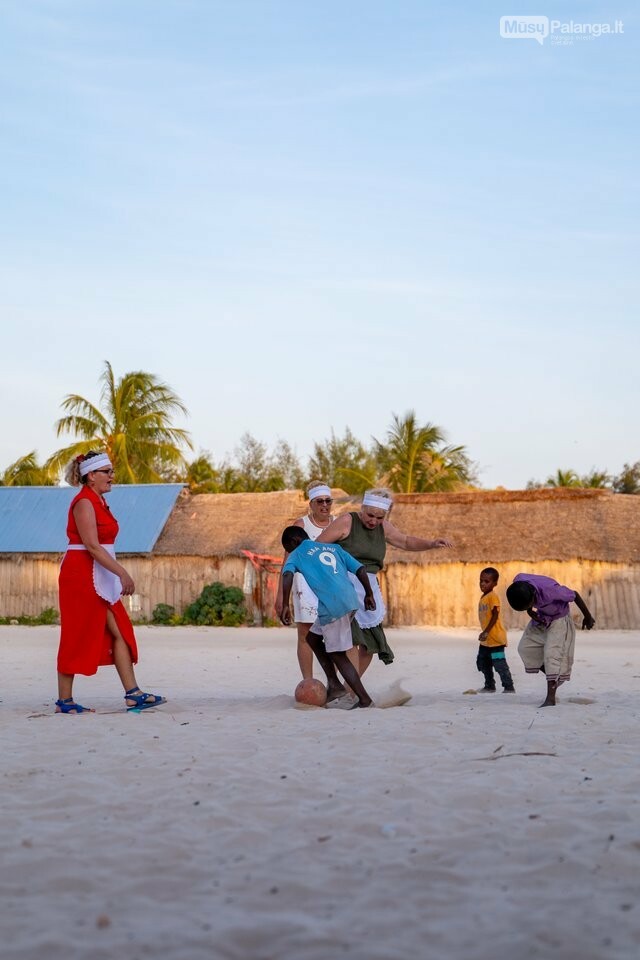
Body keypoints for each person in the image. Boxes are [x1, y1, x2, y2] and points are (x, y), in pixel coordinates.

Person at [55, 451, 166, 714]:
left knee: (120, 631)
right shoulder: (84, 502)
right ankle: (65, 701)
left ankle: (133, 693)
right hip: (81, 575)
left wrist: (113, 573)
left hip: (99, 573)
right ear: (91, 475)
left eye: (112, 472)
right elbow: (92, 546)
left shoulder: (100, 502)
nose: (112, 477)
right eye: (107, 472)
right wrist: (122, 573)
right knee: (77, 632)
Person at [316, 488, 453, 674]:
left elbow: (405, 541)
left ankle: (350, 690)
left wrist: (430, 544)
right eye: (370, 515)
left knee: (369, 645)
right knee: (350, 641)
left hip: (368, 589)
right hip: (343, 587)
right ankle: (347, 688)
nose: (373, 521)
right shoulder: (347, 522)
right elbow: (316, 548)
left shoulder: (384, 527)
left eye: (379, 518)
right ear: (362, 509)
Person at [279, 526, 376, 709]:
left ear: (293, 542)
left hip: (333, 607)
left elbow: (287, 575)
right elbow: (361, 569)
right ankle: (334, 685)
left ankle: (364, 699)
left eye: (288, 548)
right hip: (350, 601)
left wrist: (285, 605)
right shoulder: (333, 548)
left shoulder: (297, 553)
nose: (289, 552)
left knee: (338, 655)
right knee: (312, 638)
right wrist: (368, 594)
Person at [275, 481, 336, 679]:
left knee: (334, 637)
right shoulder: (301, 525)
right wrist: (280, 597)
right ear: (311, 503)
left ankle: (332, 683)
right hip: (306, 586)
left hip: (332, 586)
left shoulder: (339, 523)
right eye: (320, 501)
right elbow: (287, 563)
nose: (324, 505)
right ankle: (308, 682)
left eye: (328, 501)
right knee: (306, 635)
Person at [506, 572, 595, 707]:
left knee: (551, 655)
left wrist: (588, 617)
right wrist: (530, 611)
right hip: (542, 617)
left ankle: (550, 698)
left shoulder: (552, 591)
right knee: (525, 648)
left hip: (559, 619)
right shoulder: (519, 581)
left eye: (528, 605)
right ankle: (554, 676)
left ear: (534, 595)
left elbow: (575, 595)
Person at [476, 567, 515, 693]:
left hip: (496, 639)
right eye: (481, 580)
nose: (482, 584)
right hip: (486, 641)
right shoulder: (484, 597)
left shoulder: (493, 596)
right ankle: (489, 685)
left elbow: (495, 615)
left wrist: (486, 631)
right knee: (483, 662)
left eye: (486, 581)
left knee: (499, 663)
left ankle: (509, 687)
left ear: (494, 584)